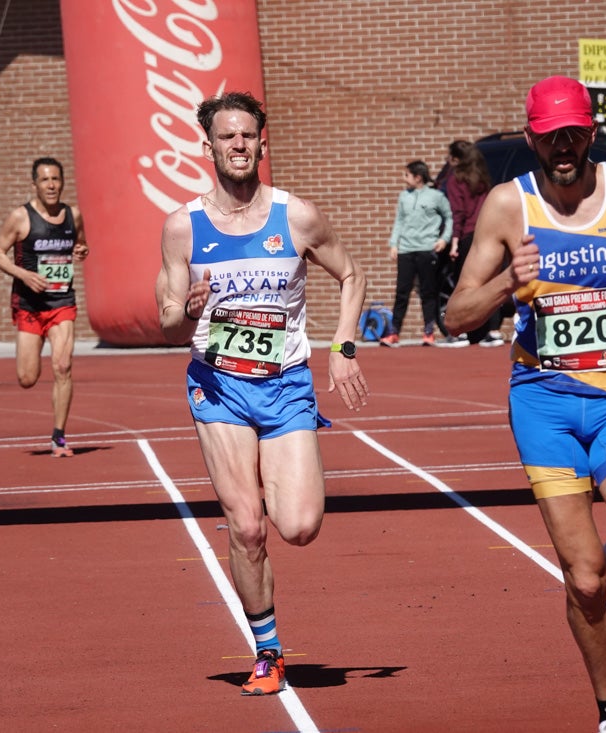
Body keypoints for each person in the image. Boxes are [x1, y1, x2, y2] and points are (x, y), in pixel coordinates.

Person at [444, 76, 606, 733]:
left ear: (590, 133)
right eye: (550, 135)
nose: (563, 146)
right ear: (531, 137)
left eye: (574, 133)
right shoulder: (509, 206)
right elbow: (454, 314)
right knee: (583, 578)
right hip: (544, 404)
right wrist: (510, 281)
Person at [156, 91, 369, 696]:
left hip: (285, 385)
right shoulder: (182, 227)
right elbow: (168, 318)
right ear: (209, 146)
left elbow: (351, 273)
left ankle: (271, 523)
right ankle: (268, 650)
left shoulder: (296, 216)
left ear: (262, 143)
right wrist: (184, 311)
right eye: (227, 137)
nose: (239, 146)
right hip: (217, 386)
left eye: (248, 135)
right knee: (247, 527)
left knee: (299, 526)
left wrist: (344, 346)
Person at [0, 157, 88, 457]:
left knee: (63, 365)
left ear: (62, 182)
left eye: (56, 179)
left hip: (61, 303)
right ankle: (29, 356)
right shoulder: (21, 217)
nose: (51, 186)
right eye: (45, 180)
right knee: (27, 378)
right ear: (35, 184)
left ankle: (58, 437)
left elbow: (80, 244)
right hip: (29, 305)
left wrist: (82, 250)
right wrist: (24, 275)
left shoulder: (73, 215)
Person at [380, 161, 452, 347]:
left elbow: (449, 217)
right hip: (406, 250)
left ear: (418, 177)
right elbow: (399, 220)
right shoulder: (404, 196)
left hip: (427, 249)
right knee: (402, 292)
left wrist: (444, 239)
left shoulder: (436, 196)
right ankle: (393, 333)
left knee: (427, 293)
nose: (403, 179)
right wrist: (393, 244)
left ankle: (429, 333)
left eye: (407, 175)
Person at [441, 140, 502, 348]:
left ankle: (462, 334)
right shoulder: (482, 177)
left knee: (466, 285)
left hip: (468, 236)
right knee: (490, 282)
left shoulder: (455, 180)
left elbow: (459, 213)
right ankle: (493, 331)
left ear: (456, 159)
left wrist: (455, 242)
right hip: (488, 231)